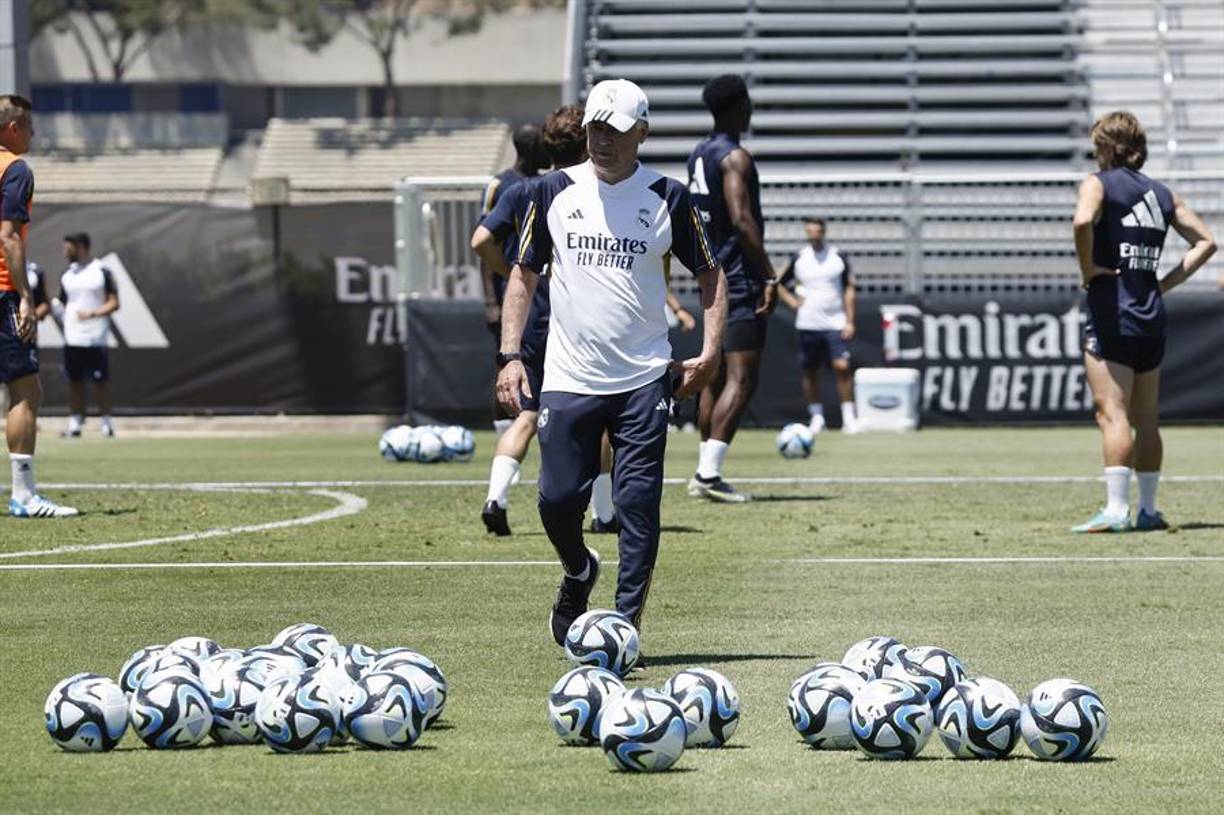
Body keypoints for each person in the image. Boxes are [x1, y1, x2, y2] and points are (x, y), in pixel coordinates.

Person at [496, 78, 727, 644]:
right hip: (568, 377)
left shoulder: (668, 196)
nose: (603, 140)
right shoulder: (550, 191)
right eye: (596, 128)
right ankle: (578, 569)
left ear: (641, 133)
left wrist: (710, 353)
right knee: (555, 502)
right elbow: (523, 275)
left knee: (636, 507)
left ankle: (624, 626)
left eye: (617, 130)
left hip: (645, 378)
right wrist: (509, 355)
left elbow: (710, 276)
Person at [471, 104, 619, 536]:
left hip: (533, 317)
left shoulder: (522, 190)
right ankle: (604, 512)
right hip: (578, 317)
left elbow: (480, 240)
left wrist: (515, 272)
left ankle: (496, 498)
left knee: (528, 414)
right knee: (603, 412)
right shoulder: (592, 191)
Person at [1071, 111, 1216, 533]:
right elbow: (1207, 242)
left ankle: (1117, 511)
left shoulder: (1097, 184)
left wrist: (1089, 269)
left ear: (1104, 147)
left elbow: (1082, 221)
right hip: (1150, 313)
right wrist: (1164, 284)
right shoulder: (1161, 193)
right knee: (1147, 417)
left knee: (1112, 413)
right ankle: (1149, 509)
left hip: (1111, 312)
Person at [685, 74, 777, 503]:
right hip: (738, 278)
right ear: (740, 106)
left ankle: (705, 467)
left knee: (713, 377)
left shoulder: (698, 154)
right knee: (743, 378)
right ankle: (708, 473)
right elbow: (741, 220)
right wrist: (769, 275)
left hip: (710, 276)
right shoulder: (735, 158)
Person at [0, 95, 78, 518]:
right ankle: (25, 496)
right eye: (28, 126)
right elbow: (8, 236)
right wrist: (26, 298)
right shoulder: (15, 168)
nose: (33, 133)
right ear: (12, 128)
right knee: (26, 391)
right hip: (2, 292)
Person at [479, 124, 549, 435]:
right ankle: (504, 435)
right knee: (507, 364)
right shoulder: (501, 185)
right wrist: (492, 300)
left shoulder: (548, 183)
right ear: (530, 149)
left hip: (545, 289)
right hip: (512, 289)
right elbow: (484, 242)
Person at [777, 218, 860, 433]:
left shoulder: (838, 257)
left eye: (817, 230)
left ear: (823, 232)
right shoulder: (799, 258)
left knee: (842, 367)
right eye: (810, 230)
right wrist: (792, 302)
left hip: (835, 321)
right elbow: (777, 284)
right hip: (808, 323)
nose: (814, 234)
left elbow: (849, 289)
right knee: (810, 371)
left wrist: (850, 320)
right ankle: (817, 417)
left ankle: (849, 417)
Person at [54, 232, 120, 438]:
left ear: (81, 246)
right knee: (74, 381)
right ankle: (75, 423)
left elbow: (114, 302)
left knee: (100, 382)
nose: (64, 252)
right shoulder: (68, 275)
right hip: (72, 337)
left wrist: (92, 313)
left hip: (95, 337)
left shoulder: (101, 271)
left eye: (68, 248)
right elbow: (61, 304)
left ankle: (106, 423)